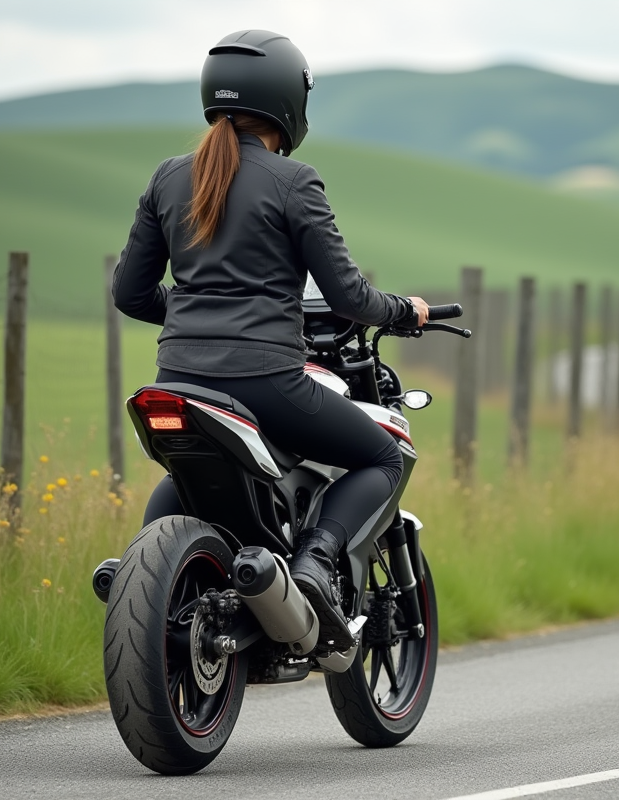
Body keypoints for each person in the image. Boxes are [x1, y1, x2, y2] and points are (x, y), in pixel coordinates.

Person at [112, 30, 429, 651]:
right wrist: (404, 311)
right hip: (266, 383)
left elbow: (130, 293)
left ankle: (167, 587)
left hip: (177, 380)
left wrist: (195, 311)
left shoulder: (169, 178)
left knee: (182, 484)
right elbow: (348, 299)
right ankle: (314, 562)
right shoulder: (293, 181)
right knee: (383, 458)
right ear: (290, 100)